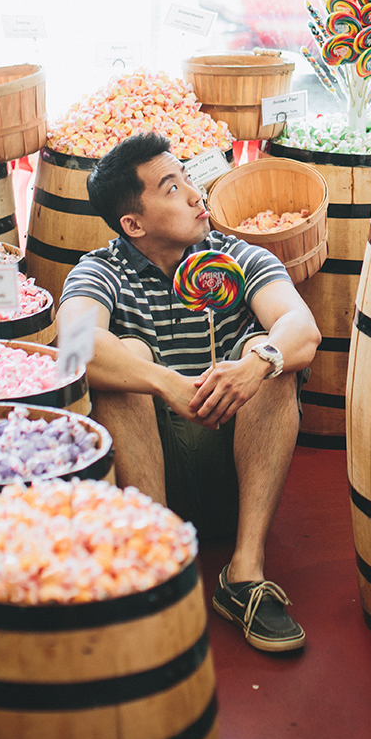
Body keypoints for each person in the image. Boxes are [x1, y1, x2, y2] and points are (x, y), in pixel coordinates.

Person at [57, 133, 321, 653]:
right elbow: (73, 343)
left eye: (188, 180)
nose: (197, 196)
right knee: (124, 358)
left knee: (270, 355)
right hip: (151, 477)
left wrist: (256, 365)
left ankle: (244, 573)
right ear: (133, 223)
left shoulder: (239, 256)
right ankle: (157, 565)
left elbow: (302, 328)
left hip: (241, 471)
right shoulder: (101, 269)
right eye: (172, 189)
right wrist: (164, 382)